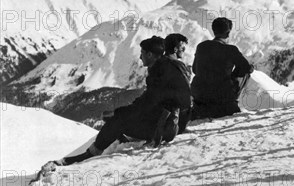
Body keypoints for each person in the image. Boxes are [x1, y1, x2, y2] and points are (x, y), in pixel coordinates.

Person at [46, 36, 192, 167]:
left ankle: (90, 154)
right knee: (121, 117)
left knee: (117, 121)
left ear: (150, 55)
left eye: (142, 53)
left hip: (164, 127)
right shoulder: (165, 68)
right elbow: (150, 100)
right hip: (168, 122)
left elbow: (148, 103)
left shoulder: (160, 72)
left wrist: (119, 113)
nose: (140, 57)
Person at [191, 17, 254, 119]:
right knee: (247, 71)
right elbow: (246, 68)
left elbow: (194, 70)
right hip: (222, 96)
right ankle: (232, 102)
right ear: (228, 33)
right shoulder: (231, 50)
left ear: (213, 30)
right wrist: (233, 76)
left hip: (199, 96)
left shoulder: (201, 47)